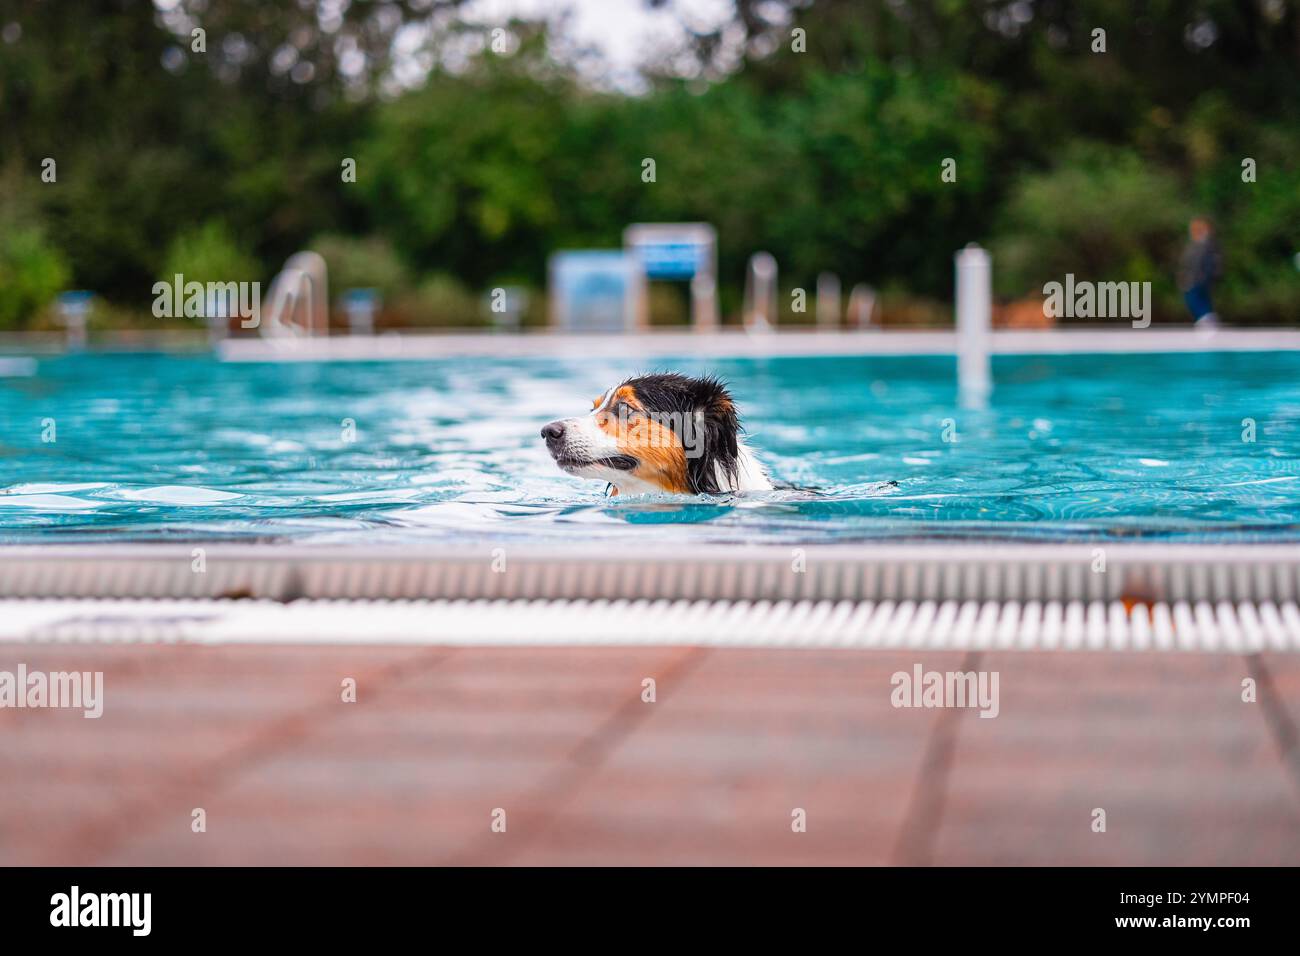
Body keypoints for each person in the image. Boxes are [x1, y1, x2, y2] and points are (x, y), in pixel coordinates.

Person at [1178, 217, 1222, 327]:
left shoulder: (1206, 245)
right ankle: (1205, 319)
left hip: (1199, 280)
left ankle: (1206, 319)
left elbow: (1205, 264)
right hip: (1194, 279)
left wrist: (1202, 278)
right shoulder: (1196, 244)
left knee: (1197, 299)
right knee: (1197, 299)